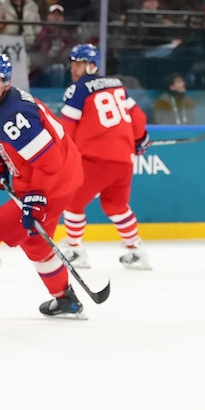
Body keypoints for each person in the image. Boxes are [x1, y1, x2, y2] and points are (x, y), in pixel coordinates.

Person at [0, 52, 85, 322]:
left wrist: (36, 197)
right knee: (36, 243)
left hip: (51, 183)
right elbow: (19, 144)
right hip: (61, 180)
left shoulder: (13, 113)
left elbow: (48, 162)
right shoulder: (3, 103)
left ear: (6, 82)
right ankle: (65, 299)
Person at [55, 44, 152, 271]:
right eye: (73, 64)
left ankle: (75, 250)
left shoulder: (77, 89)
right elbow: (137, 117)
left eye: (79, 64)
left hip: (95, 158)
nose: (74, 69)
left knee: (72, 201)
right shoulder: (117, 85)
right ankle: (136, 251)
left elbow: (67, 128)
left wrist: (62, 156)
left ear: (91, 65)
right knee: (116, 205)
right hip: (124, 160)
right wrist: (139, 139)